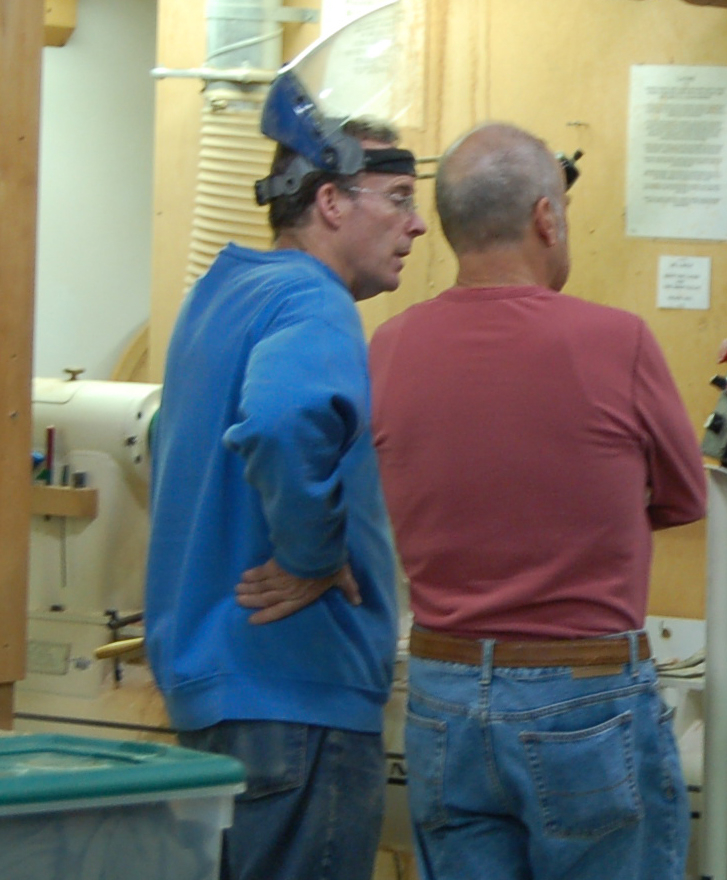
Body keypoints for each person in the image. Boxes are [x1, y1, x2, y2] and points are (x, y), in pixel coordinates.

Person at [369, 122, 707, 880]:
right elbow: (683, 498)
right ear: (546, 218)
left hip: (440, 695)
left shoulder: (387, 349)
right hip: (583, 695)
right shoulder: (617, 341)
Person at [144, 113, 426, 880]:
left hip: (218, 699)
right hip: (299, 702)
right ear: (332, 202)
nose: (418, 223)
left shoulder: (218, 297)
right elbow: (279, 419)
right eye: (398, 197)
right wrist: (312, 552)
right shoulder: (313, 301)